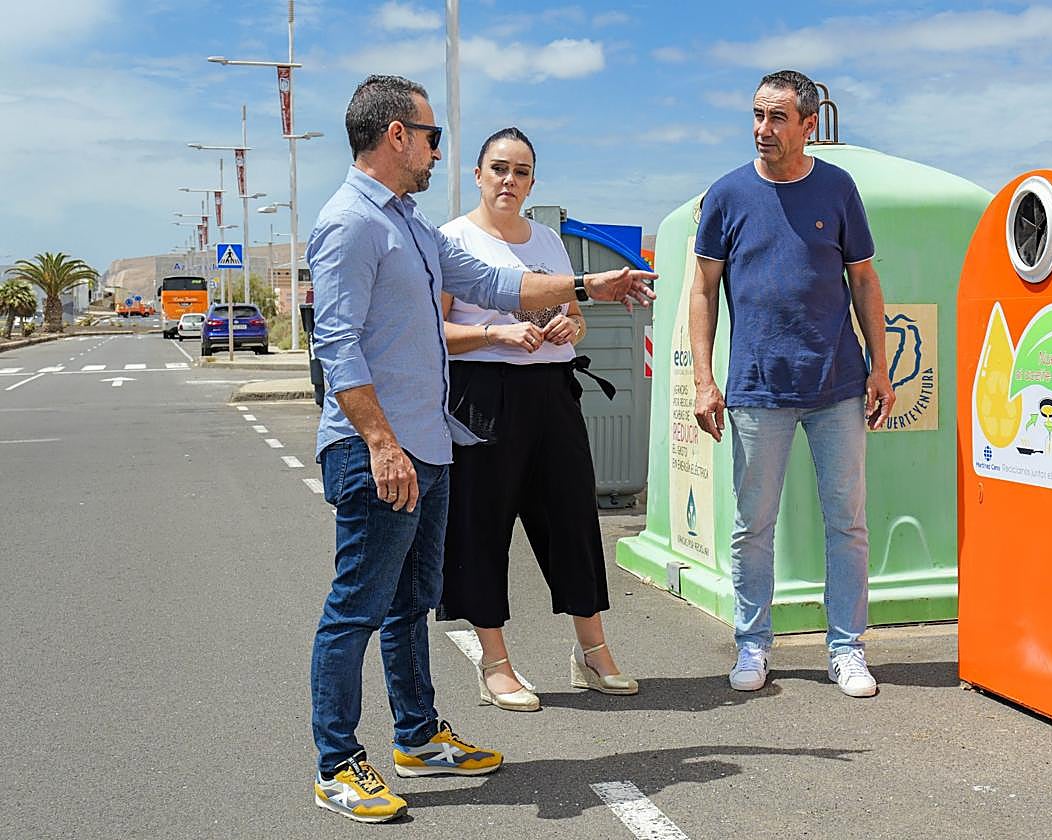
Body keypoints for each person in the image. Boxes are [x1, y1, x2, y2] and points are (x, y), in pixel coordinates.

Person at [307, 75, 654, 824]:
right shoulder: (350, 222)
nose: (437, 149)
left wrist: (592, 284)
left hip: (429, 446)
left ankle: (418, 735)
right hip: (381, 451)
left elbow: (498, 281)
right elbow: (335, 343)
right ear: (396, 136)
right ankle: (336, 763)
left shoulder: (409, 223)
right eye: (431, 136)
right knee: (355, 610)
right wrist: (379, 442)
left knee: (407, 608)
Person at [689, 70, 896, 697]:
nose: (763, 130)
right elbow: (701, 290)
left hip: (837, 384)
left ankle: (847, 648)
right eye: (757, 115)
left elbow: (863, 281)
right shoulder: (725, 196)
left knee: (848, 522)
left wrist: (881, 367)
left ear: (810, 125)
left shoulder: (838, 190)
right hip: (756, 389)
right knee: (752, 526)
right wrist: (704, 380)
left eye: (778, 118)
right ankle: (752, 646)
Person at [436, 127, 638, 713]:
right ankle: (495, 664)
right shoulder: (452, 241)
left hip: (553, 391)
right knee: (484, 529)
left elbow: (573, 311)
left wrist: (571, 327)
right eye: (499, 169)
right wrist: (493, 332)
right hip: (483, 395)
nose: (509, 181)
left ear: (532, 182)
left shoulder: (547, 239)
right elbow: (431, 332)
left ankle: (592, 653)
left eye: (521, 172)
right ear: (477, 174)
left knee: (572, 521)